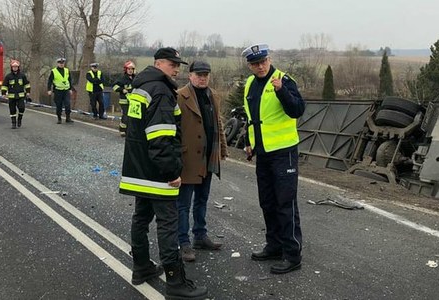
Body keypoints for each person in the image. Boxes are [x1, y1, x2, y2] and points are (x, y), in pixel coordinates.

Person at [119, 47, 207, 299]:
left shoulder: (140, 86)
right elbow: (161, 137)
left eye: (178, 64)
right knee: (168, 225)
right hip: (157, 172)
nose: (177, 68)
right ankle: (175, 281)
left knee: (140, 218)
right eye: (172, 64)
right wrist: (172, 172)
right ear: (158, 64)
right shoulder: (161, 91)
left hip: (137, 168)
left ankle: (142, 267)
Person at [241, 43, 305, 274]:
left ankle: (292, 254)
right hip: (263, 153)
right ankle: (274, 245)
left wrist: (281, 91)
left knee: (285, 203)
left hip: (284, 152)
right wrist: (249, 143)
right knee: (267, 202)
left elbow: (297, 110)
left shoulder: (283, 80)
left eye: (263, 61)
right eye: (255, 63)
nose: (260, 67)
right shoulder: (249, 84)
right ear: (249, 65)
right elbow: (252, 118)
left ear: (269, 59)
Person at [175, 61, 228, 262]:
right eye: (199, 74)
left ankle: (200, 235)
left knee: (202, 200)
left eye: (206, 74)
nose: (203, 77)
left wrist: (222, 147)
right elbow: (174, 128)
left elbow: (218, 122)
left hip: (208, 157)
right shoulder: (180, 96)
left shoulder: (212, 95)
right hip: (188, 158)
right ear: (190, 76)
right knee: (183, 204)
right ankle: (184, 242)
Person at [1, 59, 30, 129]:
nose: (15, 68)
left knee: (22, 108)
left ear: (18, 67)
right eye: (13, 67)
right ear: (11, 67)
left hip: (20, 96)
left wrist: (28, 92)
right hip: (11, 96)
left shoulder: (22, 76)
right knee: (12, 110)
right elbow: (4, 85)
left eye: (16, 67)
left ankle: (19, 119)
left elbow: (27, 84)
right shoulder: (8, 76)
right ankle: (13, 123)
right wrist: (3, 93)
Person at [47, 57, 74, 124]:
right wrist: (49, 89)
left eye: (63, 63)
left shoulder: (67, 70)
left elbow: (70, 80)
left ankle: (68, 118)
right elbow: (50, 81)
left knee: (68, 104)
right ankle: (59, 118)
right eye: (60, 63)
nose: (61, 64)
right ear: (58, 63)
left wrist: (70, 89)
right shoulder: (54, 71)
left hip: (66, 90)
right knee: (59, 105)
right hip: (58, 91)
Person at [113, 60, 136, 137]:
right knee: (126, 116)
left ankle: (129, 130)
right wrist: (122, 90)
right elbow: (114, 86)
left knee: (132, 117)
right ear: (126, 70)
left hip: (133, 101)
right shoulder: (122, 78)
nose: (130, 70)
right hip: (124, 101)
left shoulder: (135, 78)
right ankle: (122, 130)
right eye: (129, 69)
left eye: (132, 69)